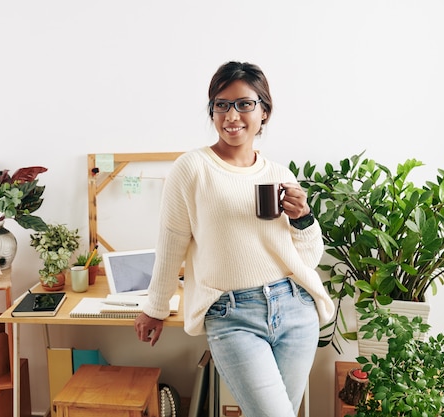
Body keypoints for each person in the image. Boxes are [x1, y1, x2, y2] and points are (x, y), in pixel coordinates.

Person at [134, 61, 335, 416]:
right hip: (232, 314)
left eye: (244, 104)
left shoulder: (279, 174)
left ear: (264, 112)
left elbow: (307, 258)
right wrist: (156, 307)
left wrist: (303, 217)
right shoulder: (192, 167)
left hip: (294, 307)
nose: (232, 115)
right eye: (221, 104)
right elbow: (172, 242)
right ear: (212, 110)